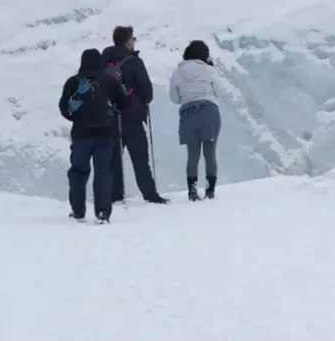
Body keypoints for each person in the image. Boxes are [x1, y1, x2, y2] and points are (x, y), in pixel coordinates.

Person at [58, 49, 128, 222]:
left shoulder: (73, 82)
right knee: (103, 172)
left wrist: (74, 116)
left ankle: (78, 211)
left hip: (81, 134)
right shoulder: (109, 80)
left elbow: (64, 108)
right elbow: (123, 103)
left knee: (78, 172)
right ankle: (103, 212)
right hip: (106, 133)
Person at [103, 25, 168, 204]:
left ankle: (114, 196)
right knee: (140, 159)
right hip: (132, 118)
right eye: (133, 39)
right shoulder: (134, 62)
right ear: (128, 41)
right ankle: (150, 195)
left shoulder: (104, 61)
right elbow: (147, 91)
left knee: (113, 160)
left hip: (109, 118)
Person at [169, 40, 222, 201]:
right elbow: (218, 90)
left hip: (188, 113)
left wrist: (187, 97)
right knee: (210, 153)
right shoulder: (208, 69)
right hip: (209, 111)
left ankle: (192, 190)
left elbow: (174, 97)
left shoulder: (178, 72)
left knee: (193, 154)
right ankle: (210, 190)